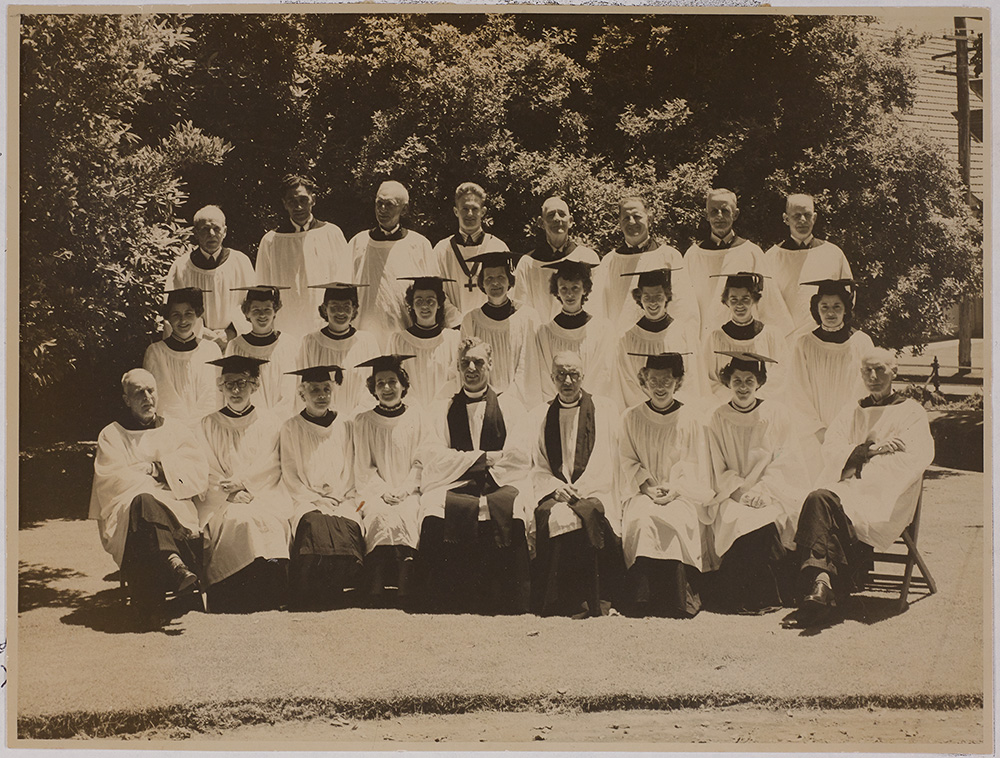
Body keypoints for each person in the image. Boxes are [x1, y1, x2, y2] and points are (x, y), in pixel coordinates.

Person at [790, 348, 934, 627]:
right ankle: (823, 584)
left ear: (895, 371)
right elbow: (831, 450)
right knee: (818, 498)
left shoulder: (911, 412)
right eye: (867, 370)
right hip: (848, 492)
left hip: (886, 498)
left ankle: (820, 584)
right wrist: (873, 450)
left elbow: (913, 459)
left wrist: (861, 463)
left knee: (821, 502)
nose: (873, 376)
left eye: (880, 369)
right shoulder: (853, 411)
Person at [417, 338, 532, 614]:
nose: (472, 368)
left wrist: (475, 465)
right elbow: (432, 456)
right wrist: (481, 459)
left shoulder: (511, 406)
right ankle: (446, 598)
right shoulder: (442, 409)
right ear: (457, 367)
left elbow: (519, 456)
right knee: (433, 507)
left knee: (513, 508)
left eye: (479, 362)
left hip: (500, 481)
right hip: (457, 482)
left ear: (490, 364)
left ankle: (508, 599)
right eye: (465, 362)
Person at [88, 369, 208, 628]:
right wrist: (158, 482)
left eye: (151, 390)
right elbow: (111, 482)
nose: (147, 397)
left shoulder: (176, 430)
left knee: (144, 509)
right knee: (142, 502)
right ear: (126, 400)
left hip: (175, 515)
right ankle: (175, 564)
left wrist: (156, 468)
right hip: (127, 511)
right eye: (138, 392)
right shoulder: (111, 435)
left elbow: (196, 473)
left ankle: (151, 604)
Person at [705, 351, 807, 614]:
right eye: (737, 380)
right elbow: (716, 464)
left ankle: (766, 596)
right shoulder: (717, 418)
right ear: (728, 382)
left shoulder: (776, 413)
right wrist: (739, 492)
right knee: (738, 518)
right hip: (731, 494)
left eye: (749, 380)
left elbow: (786, 458)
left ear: (759, 382)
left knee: (766, 518)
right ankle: (740, 598)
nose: (742, 387)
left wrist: (764, 491)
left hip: (771, 492)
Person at [617, 353, 714, 618]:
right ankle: (642, 599)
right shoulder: (631, 417)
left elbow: (697, 463)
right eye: (653, 380)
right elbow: (626, 459)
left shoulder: (691, 418)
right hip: (644, 490)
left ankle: (678, 600)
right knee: (641, 516)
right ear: (644, 382)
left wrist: (676, 489)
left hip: (680, 492)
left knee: (676, 516)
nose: (660, 387)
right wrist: (646, 486)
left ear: (678, 382)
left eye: (666, 381)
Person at [529, 352, 623, 617]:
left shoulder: (604, 409)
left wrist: (580, 488)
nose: (567, 381)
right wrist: (554, 488)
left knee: (586, 512)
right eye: (561, 375)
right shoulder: (542, 414)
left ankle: (590, 601)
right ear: (552, 378)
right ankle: (559, 601)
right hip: (557, 491)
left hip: (593, 489)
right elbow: (538, 464)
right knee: (553, 515)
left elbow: (608, 459)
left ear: (583, 376)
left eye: (574, 375)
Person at [198, 356, 291, 612]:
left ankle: (270, 593)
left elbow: (273, 463)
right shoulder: (208, 424)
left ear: (255, 385)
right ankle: (232, 594)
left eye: (242, 383)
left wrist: (246, 485)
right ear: (220, 387)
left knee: (268, 520)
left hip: (261, 494)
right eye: (229, 384)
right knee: (238, 521)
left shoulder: (270, 421)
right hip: (222, 500)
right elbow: (206, 467)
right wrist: (228, 494)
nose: (235, 390)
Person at [280, 364, 366, 611]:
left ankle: (335, 588)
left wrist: (338, 496)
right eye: (314, 390)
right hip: (304, 497)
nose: (321, 395)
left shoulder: (346, 424)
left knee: (347, 522)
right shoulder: (290, 427)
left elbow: (352, 465)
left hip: (343, 496)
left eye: (326, 389)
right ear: (301, 394)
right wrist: (316, 499)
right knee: (312, 521)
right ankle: (308, 590)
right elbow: (290, 473)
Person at [352, 354, 429, 606]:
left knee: (409, 513)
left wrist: (406, 489)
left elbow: (422, 459)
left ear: (403, 385)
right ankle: (376, 578)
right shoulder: (363, 421)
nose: (386, 388)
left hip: (411, 489)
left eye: (392, 382)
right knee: (376, 514)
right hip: (373, 492)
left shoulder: (417, 417)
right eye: (380, 383)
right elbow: (363, 466)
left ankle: (406, 579)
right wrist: (383, 491)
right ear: (373, 389)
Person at [787, 279, 875, 478]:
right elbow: (797, 390)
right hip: (813, 435)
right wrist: (819, 430)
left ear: (846, 309)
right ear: (816, 310)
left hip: (850, 432)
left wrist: (842, 432)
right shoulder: (804, 344)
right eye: (824, 307)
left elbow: (865, 389)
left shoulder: (861, 342)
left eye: (837, 306)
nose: (830, 313)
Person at [683, 189, 793, 338]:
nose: (719, 216)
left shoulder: (751, 252)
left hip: (744, 340)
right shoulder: (693, 255)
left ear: (735, 214)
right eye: (714, 211)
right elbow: (686, 306)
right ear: (706, 215)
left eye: (725, 211)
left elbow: (769, 302)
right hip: (705, 340)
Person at [350, 180, 447, 346]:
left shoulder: (419, 244)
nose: (382, 210)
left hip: (407, 338)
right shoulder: (358, 242)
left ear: (405, 209)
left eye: (389, 205)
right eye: (379, 203)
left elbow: (434, 293)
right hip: (364, 338)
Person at [255, 174, 352, 341]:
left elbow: (346, 282)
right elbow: (263, 286)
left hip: (324, 323)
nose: (298, 206)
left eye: (303, 200)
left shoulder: (331, 233)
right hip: (286, 324)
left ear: (313, 200)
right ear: (284, 203)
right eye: (292, 201)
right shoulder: (271, 240)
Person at [592, 196, 696, 334]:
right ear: (619, 222)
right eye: (626, 218)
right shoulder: (609, 261)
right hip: (621, 344)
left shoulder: (669, 257)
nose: (632, 222)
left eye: (637, 216)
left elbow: (682, 306)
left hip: (661, 342)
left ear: (649, 218)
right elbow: (598, 308)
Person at [609, 267, 704, 412]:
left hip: (678, 413)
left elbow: (692, 380)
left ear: (667, 297)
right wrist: (651, 409)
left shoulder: (684, 334)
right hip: (642, 415)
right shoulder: (627, 339)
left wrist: (669, 406)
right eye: (647, 297)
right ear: (639, 298)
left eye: (658, 297)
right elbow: (627, 384)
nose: (652, 303)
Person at [522, 259, 611, 408]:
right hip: (557, 406)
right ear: (556, 291)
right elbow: (544, 376)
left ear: (585, 289)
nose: (569, 294)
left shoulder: (601, 330)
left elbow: (601, 374)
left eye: (575, 288)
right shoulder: (545, 333)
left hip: (591, 406)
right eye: (564, 288)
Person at [165, 205, 255, 350]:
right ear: (195, 233)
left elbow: (252, 303)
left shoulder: (240, 262)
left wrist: (230, 332)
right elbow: (172, 311)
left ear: (225, 231)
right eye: (205, 229)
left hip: (234, 342)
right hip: (195, 344)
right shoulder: (181, 267)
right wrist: (202, 333)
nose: (211, 234)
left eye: (217, 228)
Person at [764, 194, 853, 338]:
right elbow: (767, 302)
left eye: (807, 215)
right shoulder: (772, 257)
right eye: (796, 216)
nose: (802, 220)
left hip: (824, 336)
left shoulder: (833, 254)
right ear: (786, 219)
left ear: (815, 217)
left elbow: (847, 297)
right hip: (784, 337)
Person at [459, 251, 536, 401]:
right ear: (481, 283)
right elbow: (467, 362)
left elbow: (528, 364)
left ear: (509, 281)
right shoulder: (471, 320)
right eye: (489, 278)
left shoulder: (528, 317)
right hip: (482, 399)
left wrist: (510, 398)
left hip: (519, 401)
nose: (495, 283)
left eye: (501, 277)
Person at [702, 272, 789, 404]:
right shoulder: (716, 338)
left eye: (745, 299)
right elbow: (708, 379)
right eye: (734, 299)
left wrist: (753, 401)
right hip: (726, 407)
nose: (739, 305)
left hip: (763, 407)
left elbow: (781, 376)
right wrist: (735, 401)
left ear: (754, 299)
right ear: (726, 301)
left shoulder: (772, 336)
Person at [296, 282, 380, 418]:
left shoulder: (367, 342)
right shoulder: (310, 342)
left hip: (359, 419)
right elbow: (303, 386)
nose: (341, 312)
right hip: (321, 419)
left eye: (346, 306)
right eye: (334, 307)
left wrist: (355, 416)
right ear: (324, 309)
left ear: (354, 309)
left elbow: (373, 386)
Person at [143, 287, 223, 428]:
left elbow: (214, 395)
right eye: (176, 314)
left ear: (198, 314)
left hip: (205, 427)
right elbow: (159, 396)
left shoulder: (211, 350)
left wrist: (198, 424)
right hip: (169, 429)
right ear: (167, 317)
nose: (183, 320)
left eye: (189, 313)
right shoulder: (156, 352)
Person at [511, 196, 600, 323]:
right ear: (541, 223)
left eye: (562, 214)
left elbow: (595, 302)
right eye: (551, 215)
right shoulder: (528, 263)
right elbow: (521, 306)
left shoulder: (587, 258)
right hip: (540, 336)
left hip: (579, 333)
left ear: (570, 221)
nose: (557, 219)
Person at [432, 182, 510, 321]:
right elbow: (436, 291)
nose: (470, 214)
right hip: (454, 328)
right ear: (456, 211)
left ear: (483, 212)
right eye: (464, 208)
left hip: (492, 323)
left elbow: (508, 288)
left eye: (475, 209)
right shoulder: (442, 249)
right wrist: (458, 321)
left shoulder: (498, 247)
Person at [387, 276, 463, 409]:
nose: (424, 306)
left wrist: (436, 408)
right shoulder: (398, 341)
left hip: (444, 412)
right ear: (411, 304)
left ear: (439, 304)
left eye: (430, 300)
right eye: (419, 301)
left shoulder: (452, 340)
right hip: (410, 413)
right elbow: (392, 377)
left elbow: (456, 379)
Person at [225, 285, 297, 417]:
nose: (262, 315)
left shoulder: (288, 344)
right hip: (247, 421)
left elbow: (291, 391)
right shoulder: (235, 346)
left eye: (267, 309)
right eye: (256, 309)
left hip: (281, 420)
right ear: (247, 313)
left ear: (275, 311)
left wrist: (273, 420)